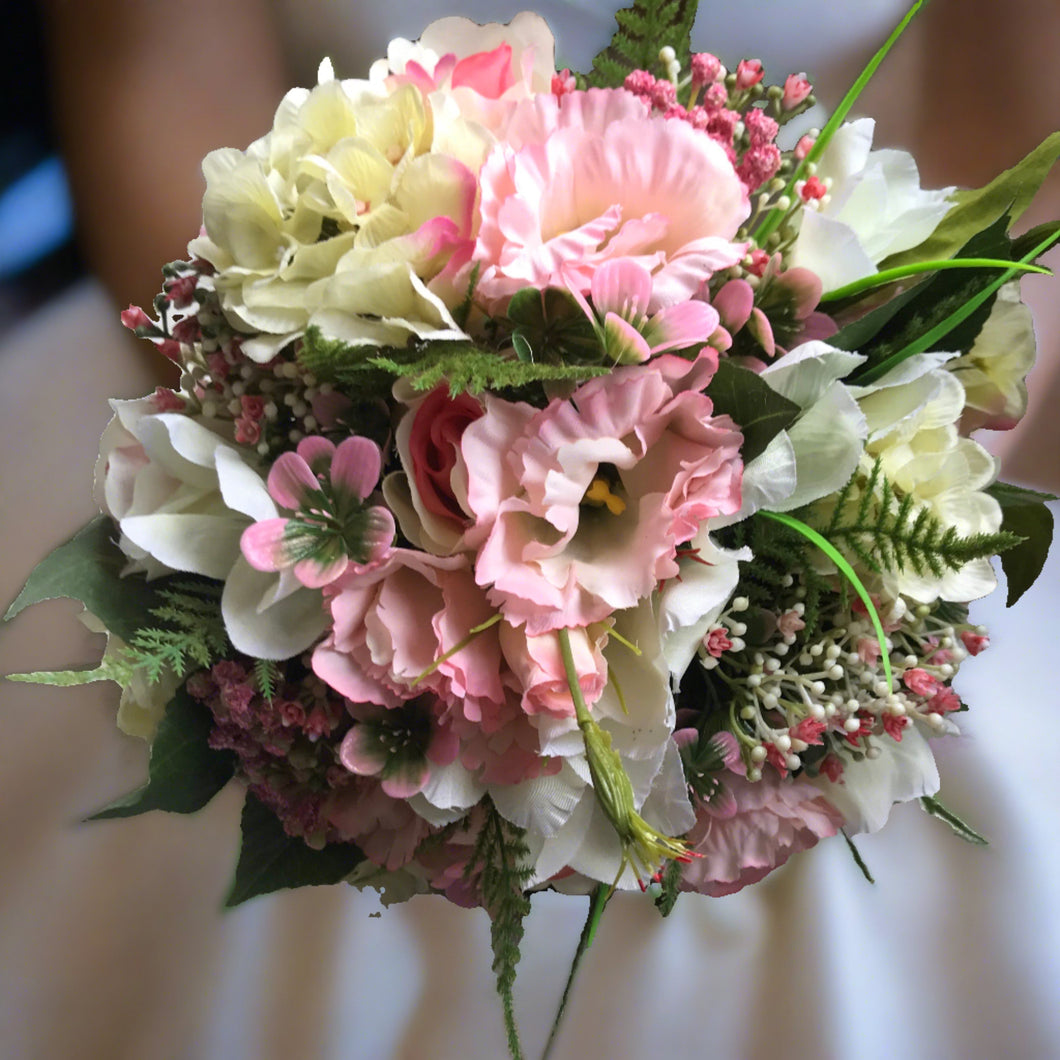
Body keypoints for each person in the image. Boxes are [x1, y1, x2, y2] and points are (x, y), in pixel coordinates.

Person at [1, 3, 1057, 1057]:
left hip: (812, 326)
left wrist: (835, 546)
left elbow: (1016, 158)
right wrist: (293, 428)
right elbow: (155, 76)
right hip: (286, 344)